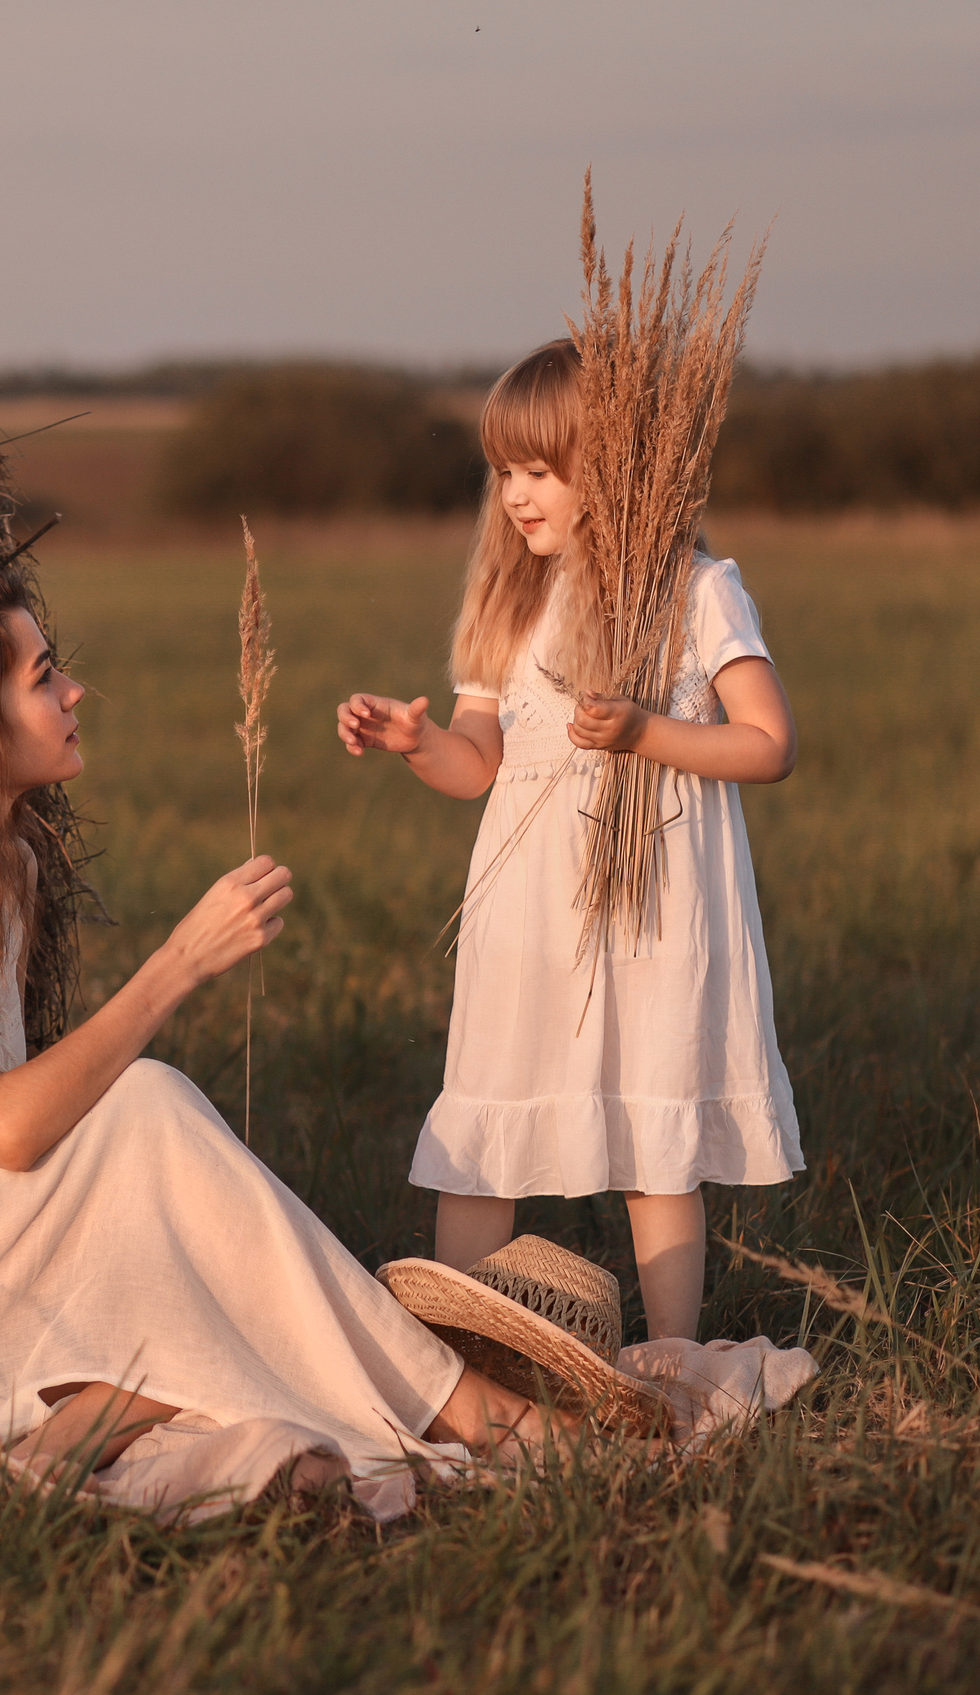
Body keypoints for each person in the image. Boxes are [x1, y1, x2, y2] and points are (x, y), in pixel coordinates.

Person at [0, 562, 582, 1508]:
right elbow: (5, 1129)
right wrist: (178, 963)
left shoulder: (4, 874)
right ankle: (490, 1418)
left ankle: (82, 1430)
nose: (74, 691)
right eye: (41, 677)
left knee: (196, 1297)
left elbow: (13, 1149)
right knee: (148, 1112)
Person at [337, 338, 803, 1344]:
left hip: (655, 908)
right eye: (504, 470)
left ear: (624, 469)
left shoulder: (695, 590)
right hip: (526, 911)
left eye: (542, 470)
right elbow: (479, 764)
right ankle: (454, 1348)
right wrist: (417, 743)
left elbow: (768, 744)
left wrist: (645, 734)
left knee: (653, 1126)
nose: (515, 494)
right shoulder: (510, 600)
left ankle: (671, 1353)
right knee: (489, 1114)